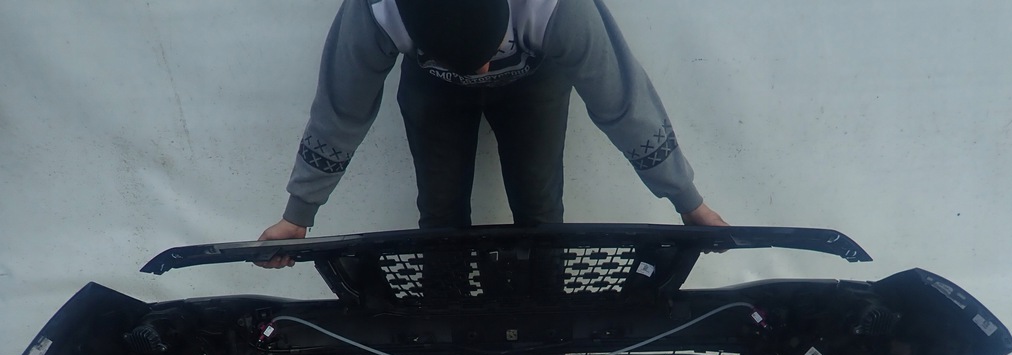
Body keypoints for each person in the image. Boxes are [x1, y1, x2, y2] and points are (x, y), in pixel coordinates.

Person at [258, 0, 727, 267]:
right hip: (432, 89)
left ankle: (544, 330)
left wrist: (690, 203)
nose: (481, 72)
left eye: (486, 54)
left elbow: (624, 103)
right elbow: (341, 111)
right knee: (440, 213)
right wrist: (299, 214)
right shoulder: (376, 11)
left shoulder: (557, 8)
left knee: (540, 211)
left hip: (534, 80)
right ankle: (445, 329)